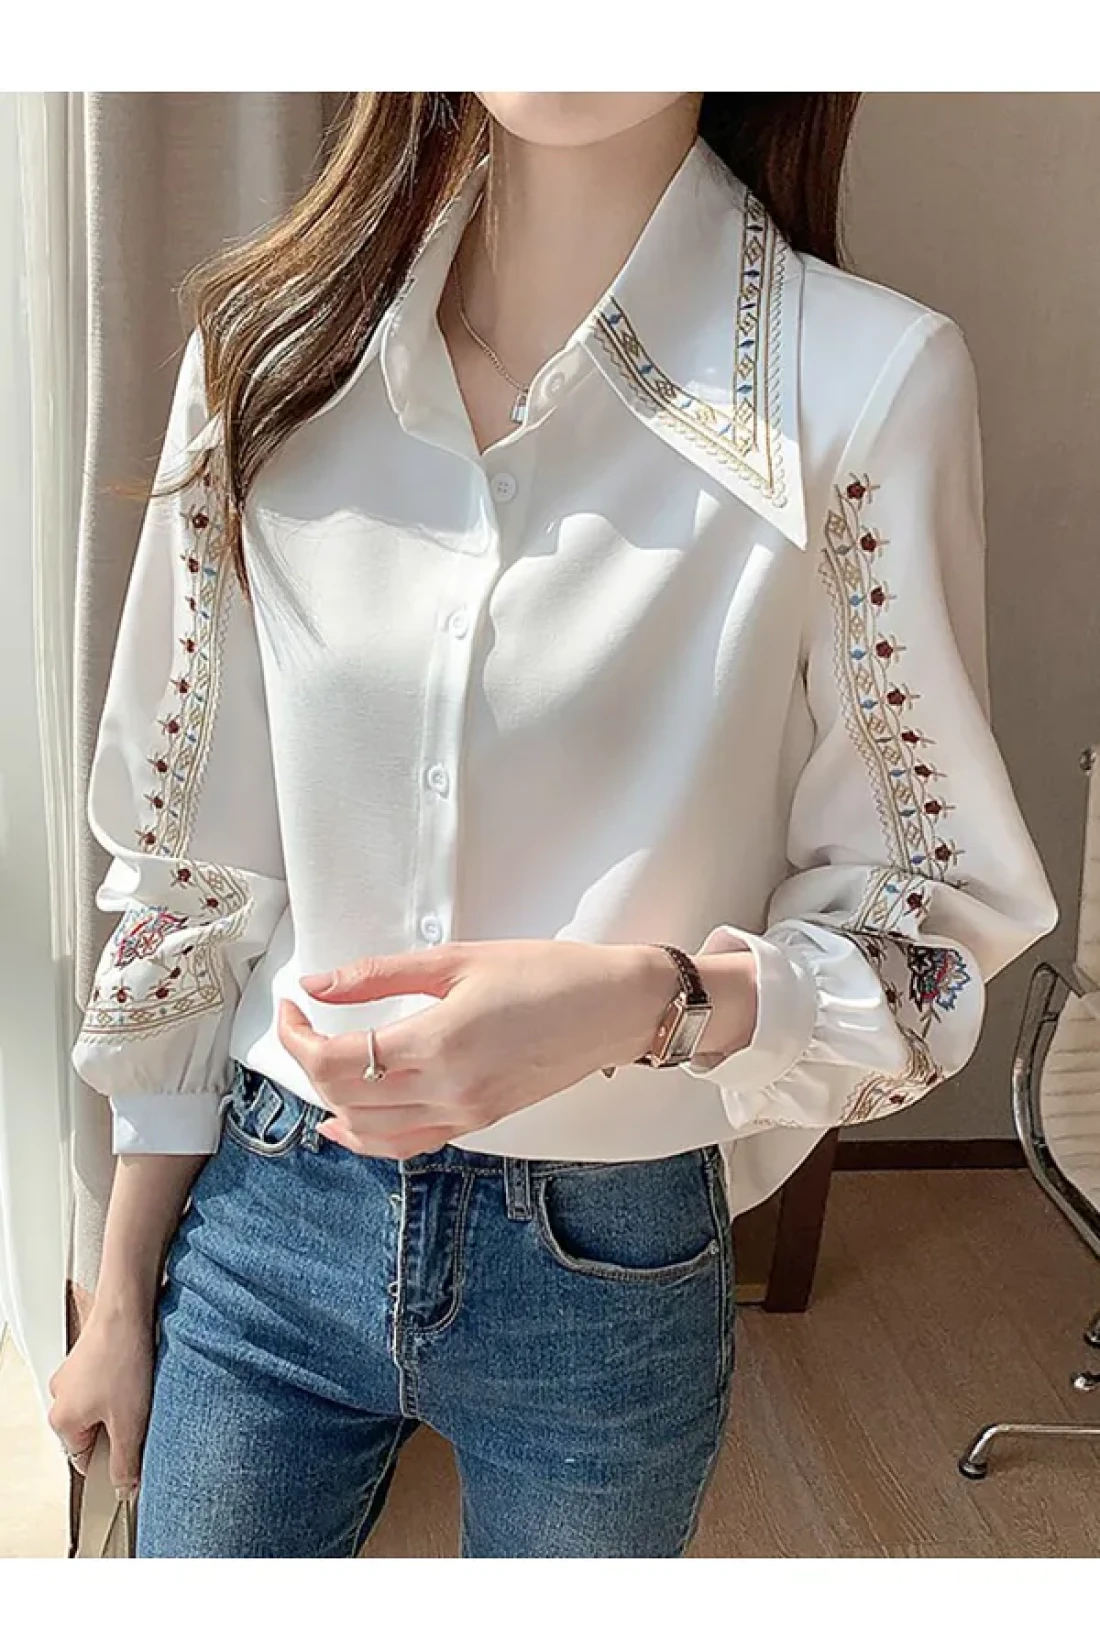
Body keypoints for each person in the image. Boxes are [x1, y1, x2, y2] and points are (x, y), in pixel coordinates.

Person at [48, 91, 1058, 1559]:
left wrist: (648, 999)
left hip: (611, 1255)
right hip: (270, 1211)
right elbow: (195, 874)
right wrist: (119, 1290)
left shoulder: (863, 383)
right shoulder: (268, 350)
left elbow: (930, 929)